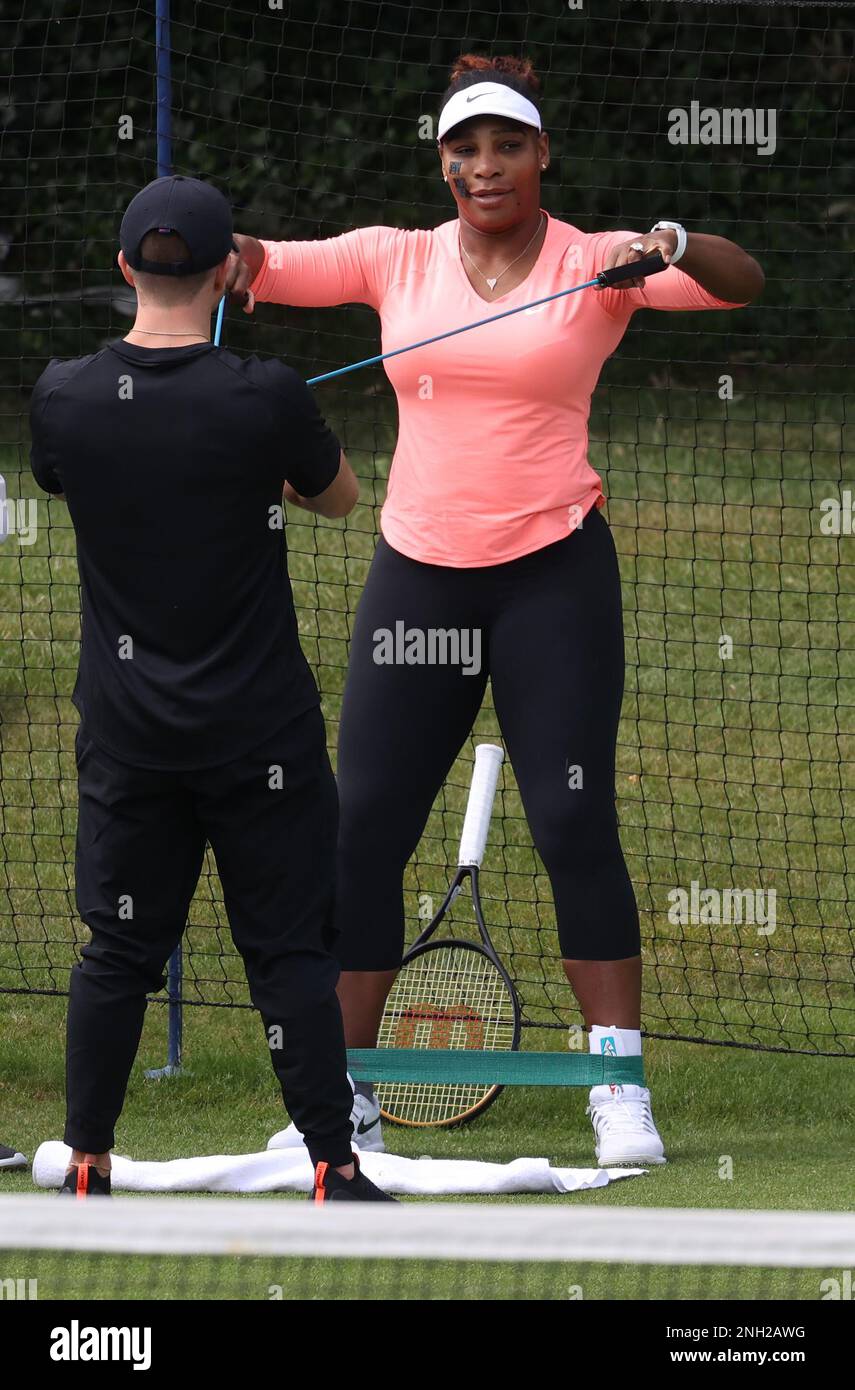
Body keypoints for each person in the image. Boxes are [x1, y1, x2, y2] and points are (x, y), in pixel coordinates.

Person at [225, 54, 765, 1166]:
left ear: (541, 155)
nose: (485, 167)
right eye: (464, 150)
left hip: (551, 577)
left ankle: (618, 1088)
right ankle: (345, 1103)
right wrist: (221, 253)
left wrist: (665, 243)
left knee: (573, 825)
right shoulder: (397, 257)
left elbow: (737, 281)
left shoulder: (595, 260)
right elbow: (268, 268)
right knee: (364, 831)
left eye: (506, 146)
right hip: (418, 579)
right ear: (443, 162)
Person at [30, 175, 393, 1202]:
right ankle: (333, 1162)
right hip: (259, 738)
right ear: (229, 270)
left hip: (130, 739)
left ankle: (88, 1160)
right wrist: (262, 464)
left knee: (119, 950)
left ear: (124, 269)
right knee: (286, 952)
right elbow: (338, 497)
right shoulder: (265, 395)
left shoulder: (63, 394)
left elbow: (71, 473)